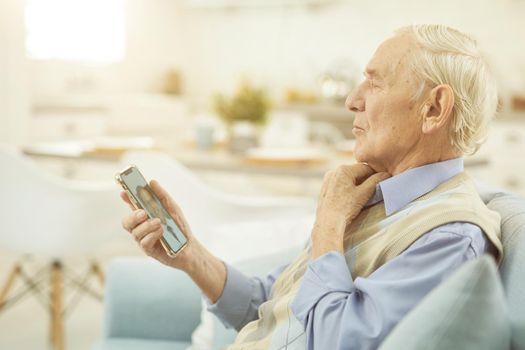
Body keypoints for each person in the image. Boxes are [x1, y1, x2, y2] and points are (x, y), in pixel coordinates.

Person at [120, 24, 503, 350]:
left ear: (433, 109)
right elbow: (268, 304)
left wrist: (329, 223)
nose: (353, 100)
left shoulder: (449, 238)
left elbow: (335, 340)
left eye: (375, 82)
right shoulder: (376, 195)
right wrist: (191, 256)